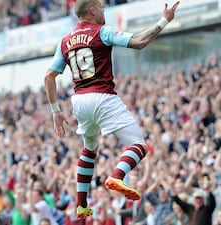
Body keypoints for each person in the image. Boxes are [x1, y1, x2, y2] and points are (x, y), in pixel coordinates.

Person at [44, 0, 180, 220]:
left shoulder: (65, 42)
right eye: (101, 7)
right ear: (93, 10)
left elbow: (49, 76)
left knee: (89, 148)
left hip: (79, 101)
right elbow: (139, 41)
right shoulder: (102, 32)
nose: (104, 11)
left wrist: (55, 110)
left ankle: (81, 205)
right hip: (102, 96)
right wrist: (165, 20)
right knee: (138, 144)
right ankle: (117, 175)